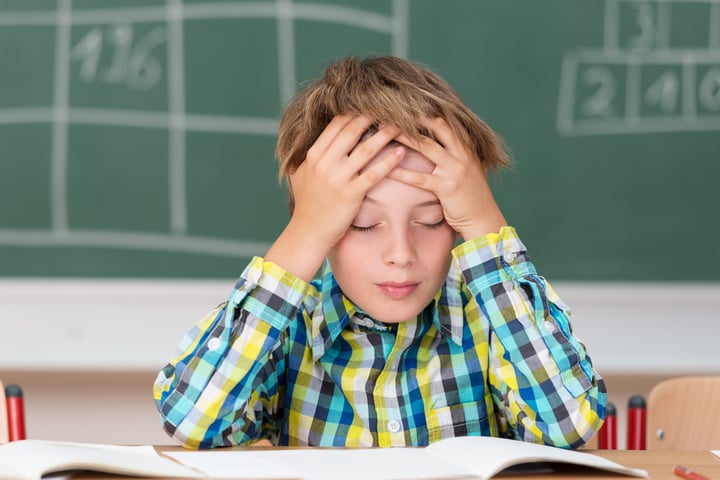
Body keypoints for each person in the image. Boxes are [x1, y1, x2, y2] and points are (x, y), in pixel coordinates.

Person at [153, 55, 607, 449]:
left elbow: (570, 424)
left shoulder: (488, 321)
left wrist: (486, 223)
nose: (400, 254)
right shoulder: (291, 329)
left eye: (431, 221)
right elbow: (193, 420)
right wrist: (303, 233)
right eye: (363, 224)